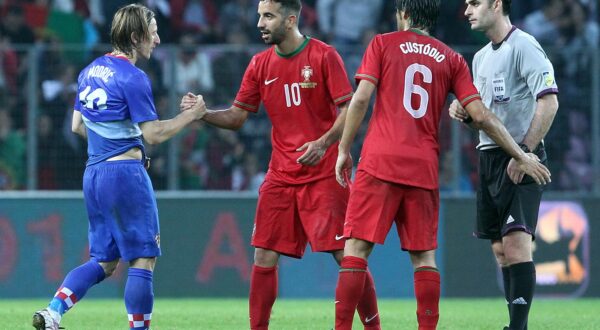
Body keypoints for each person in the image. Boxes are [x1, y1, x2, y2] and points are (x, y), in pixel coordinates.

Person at [332, 0, 552, 329]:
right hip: (422, 167)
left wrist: (343, 149)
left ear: (403, 14)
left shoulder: (381, 43)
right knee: (424, 258)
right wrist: (520, 153)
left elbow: (361, 98)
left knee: (356, 250)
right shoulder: (452, 59)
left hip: (380, 161)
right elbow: (481, 115)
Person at [181, 1, 380, 329]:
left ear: (290, 20)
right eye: (260, 15)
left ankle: (374, 327)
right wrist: (204, 114)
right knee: (263, 255)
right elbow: (237, 116)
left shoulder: (323, 55)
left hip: (325, 171)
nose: (260, 22)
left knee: (347, 255)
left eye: (268, 16)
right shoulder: (259, 64)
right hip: (281, 175)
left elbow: (349, 109)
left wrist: (323, 143)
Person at [32, 4, 206, 330]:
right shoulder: (134, 77)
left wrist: (107, 143)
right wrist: (191, 116)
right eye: (153, 33)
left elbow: (76, 126)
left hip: (94, 174)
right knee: (143, 257)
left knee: (104, 260)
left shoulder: (88, 71)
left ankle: (53, 311)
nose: (156, 40)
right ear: (137, 36)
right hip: (125, 175)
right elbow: (153, 133)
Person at [450, 1, 560, 329]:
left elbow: (549, 100)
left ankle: (517, 328)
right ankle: (516, 324)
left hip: (520, 156)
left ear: (497, 4)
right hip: (490, 157)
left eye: (475, 3)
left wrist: (524, 153)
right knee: (500, 249)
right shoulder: (481, 57)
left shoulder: (524, 45)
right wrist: (465, 114)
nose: (467, 9)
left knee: (515, 243)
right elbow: (486, 117)